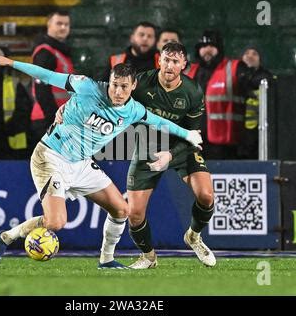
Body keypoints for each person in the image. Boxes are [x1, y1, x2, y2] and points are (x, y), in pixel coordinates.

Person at [0, 52, 204, 269]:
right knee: (56, 223)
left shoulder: (133, 110)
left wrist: (188, 134)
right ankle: (5, 237)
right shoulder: (87, 86)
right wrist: (10, 62)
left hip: (80, 163)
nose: (117, 91)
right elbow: (48, 75)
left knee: (121, 210)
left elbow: (157, 121)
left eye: (124, 87)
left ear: (133, 87)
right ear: (109, 80)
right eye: (114, 84)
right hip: (51, 156)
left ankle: (106, 260)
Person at [56, 42, 216, 269]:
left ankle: (193, 236)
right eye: (166, 60)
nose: (170, 65)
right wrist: (66, 106)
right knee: (134, 214)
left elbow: (193, 134)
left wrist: (170, 155)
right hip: (148, 148)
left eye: (175, 61)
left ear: (184, 65)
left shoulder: (193, 91)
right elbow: (102, 91)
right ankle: (149, 257)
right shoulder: (139, 83)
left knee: (207, 195)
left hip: (181, 148)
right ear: (159, 60)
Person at [186, 30, 250, 160]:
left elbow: (253, 80)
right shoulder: (189, 71)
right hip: (194, 143)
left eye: (211, 46)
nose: (206, 50)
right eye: (203, 47)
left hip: (226, 146)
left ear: (219, 49)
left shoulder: (234, 67)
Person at [29, 10, 74, 153]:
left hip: (59, 119)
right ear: (49, 25)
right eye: (59, 23)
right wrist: (54, 121)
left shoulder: (61, 52)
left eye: (66, 24)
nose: (63, 27)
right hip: (48, 119)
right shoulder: (45, 53)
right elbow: (41, 90)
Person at [238, 45, 274, 159]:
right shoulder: (233, 76)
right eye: (247, 53)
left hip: (258, 131)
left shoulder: (266, 77)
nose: (250, 56)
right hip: (237, 129)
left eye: (254, 53)